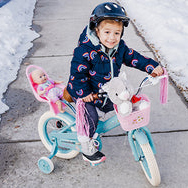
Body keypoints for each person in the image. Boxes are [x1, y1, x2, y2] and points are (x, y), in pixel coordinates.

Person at [66, 2, 164, 165]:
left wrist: (151, 66)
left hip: (107, 91)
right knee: (90, 118)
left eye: (117, 33)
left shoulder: (119, 48)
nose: (112, 37)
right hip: (87, 93)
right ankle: (86, 148)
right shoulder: (85, 51)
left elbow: (134, 58)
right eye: (107, 32)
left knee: (126, 101)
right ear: (96, 30)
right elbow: (77, 74)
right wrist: (84, 94)